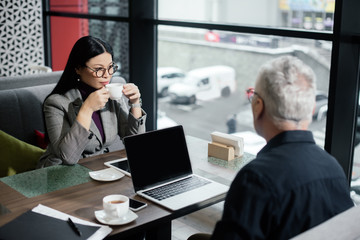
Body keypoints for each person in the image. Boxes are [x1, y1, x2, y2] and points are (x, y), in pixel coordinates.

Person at [188, 56, 354, 240]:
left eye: (253, 95)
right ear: (312, 108)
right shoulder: (333, 168)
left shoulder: (255, 179)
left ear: (258, 106)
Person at [37, 36, 146, 168]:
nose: (107, 75)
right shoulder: (56, 103)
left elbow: (135, 143)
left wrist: (135, 103)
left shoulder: (112, 95)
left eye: (110, 67)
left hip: (100, 170)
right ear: (78, 68)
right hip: (61, 173)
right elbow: (67, 158)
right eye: (99, 69)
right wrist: (87, 109)